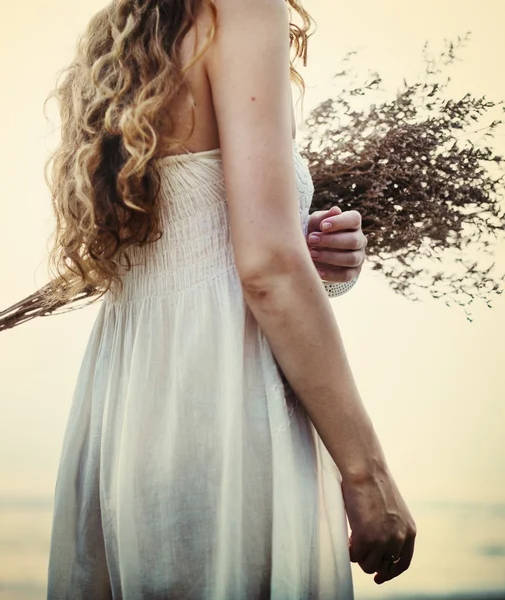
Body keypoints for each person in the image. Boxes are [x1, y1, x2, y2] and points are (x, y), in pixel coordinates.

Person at [45, 0, 416, 598]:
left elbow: (198, 244)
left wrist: (309, 248)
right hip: (226, 404)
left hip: (135, 407)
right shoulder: (242, 8)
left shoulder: (136, 29)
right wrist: (367, 473)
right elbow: (265, 270)